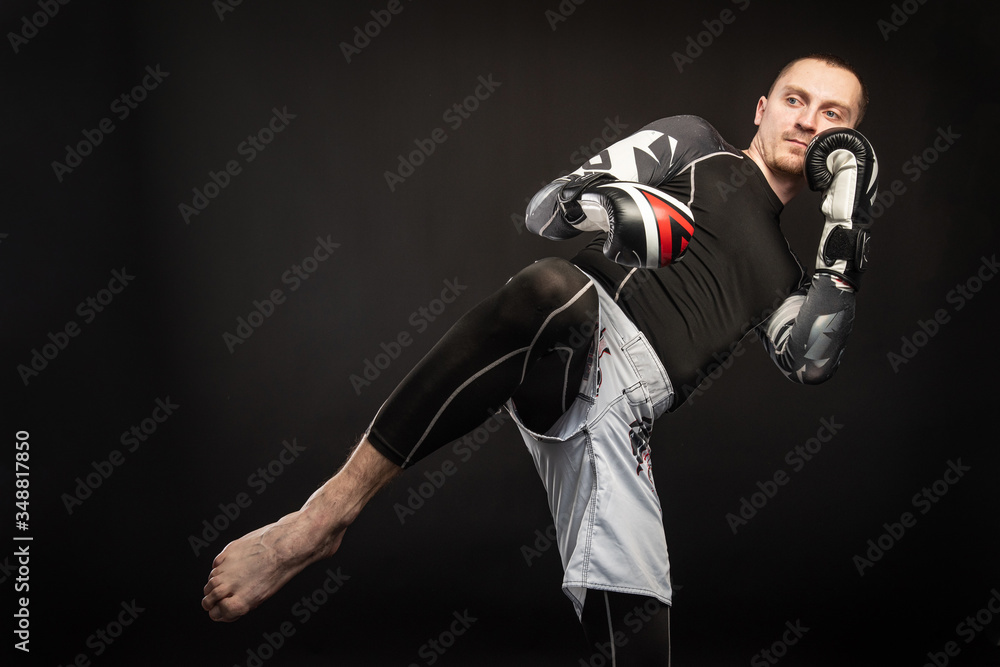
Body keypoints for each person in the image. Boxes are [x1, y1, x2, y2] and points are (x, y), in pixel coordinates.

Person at [202, 53, 878, 664]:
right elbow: (546, 209)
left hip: (625, 422)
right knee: (548, 286)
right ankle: (322, 518)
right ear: (763, 109)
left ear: (845, 146)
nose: (807, 120)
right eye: (794, 100)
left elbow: (811, 360)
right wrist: (618, 212)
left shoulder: (790, 280)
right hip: (572, 335)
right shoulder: (696, 144)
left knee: (641, 645)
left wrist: (847, 223)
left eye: (832, 115)